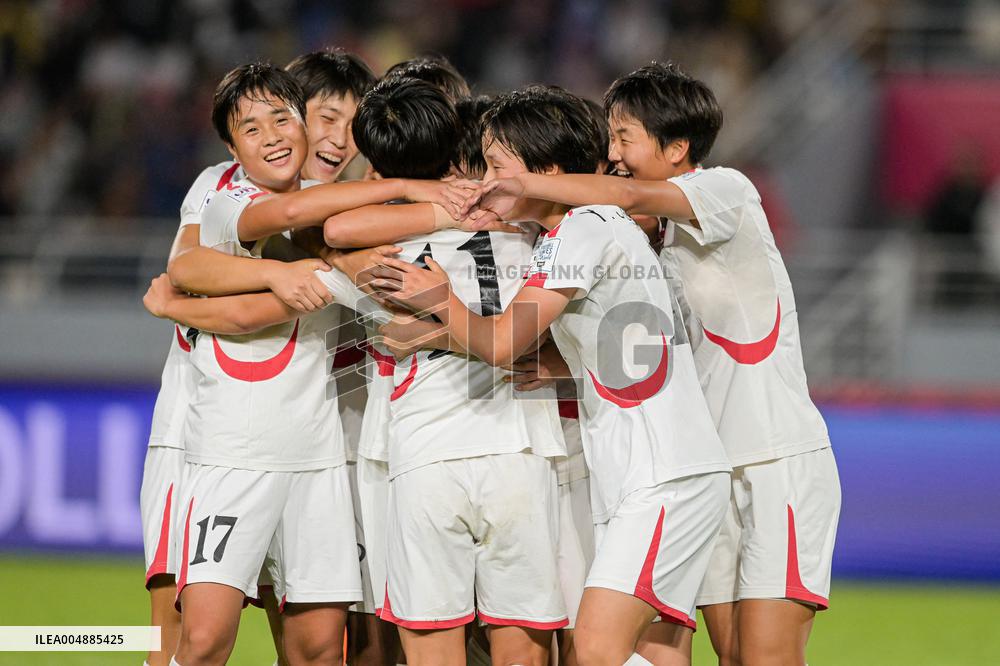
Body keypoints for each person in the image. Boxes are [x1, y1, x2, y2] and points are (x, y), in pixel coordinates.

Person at [464, 62, 842, 666]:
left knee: (766, 658)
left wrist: (524, 187)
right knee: (729, 654)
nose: (612, 156)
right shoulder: (654, 244)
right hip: (709, 460)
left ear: (676, 148)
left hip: (775, 454)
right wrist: (566, 365)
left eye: (623, 138)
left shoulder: (726, 191)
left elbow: (626, 193)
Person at [371, 83, 732, 666]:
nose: (484, 179)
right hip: (654, 471)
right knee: (655, 652)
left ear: (544, 171)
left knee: (593, 650)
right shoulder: (587, 230)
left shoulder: (584, 229)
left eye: (495, 165)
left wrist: (440, 300)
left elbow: (504, 340)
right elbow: (590, 349)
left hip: (663, 474)